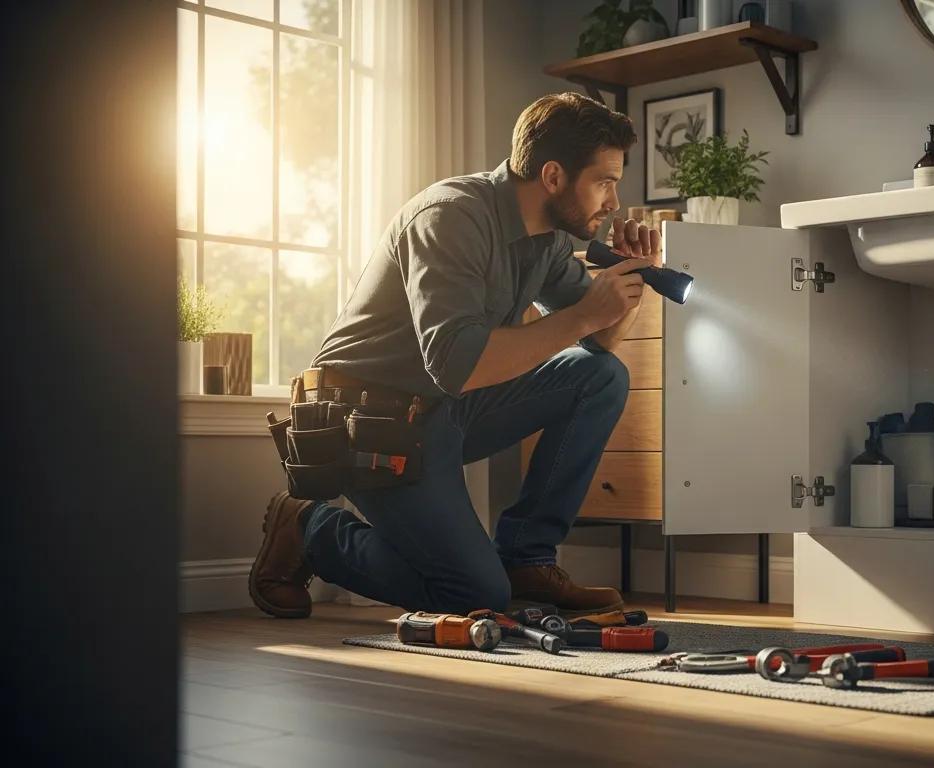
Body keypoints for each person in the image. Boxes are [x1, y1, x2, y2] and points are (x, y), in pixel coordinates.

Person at [248, 92, 660, 619]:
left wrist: (629, 279)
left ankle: (527, 560)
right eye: (604, 181)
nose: (614, 201)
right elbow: (457, 363)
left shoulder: (547, 241)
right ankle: (310, 529)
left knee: (599, 375)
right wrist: (581, 316)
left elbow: (597, 342)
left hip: (440, 411)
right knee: (474, 597)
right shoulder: (450, 216)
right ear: (554, 177)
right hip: (367, 422)